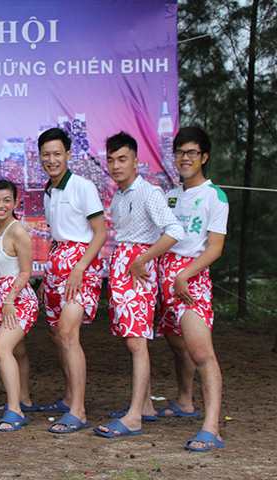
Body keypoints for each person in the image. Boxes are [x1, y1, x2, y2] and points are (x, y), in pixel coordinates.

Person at [95, 132, 183, 438]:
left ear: (135, 161)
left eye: (122, 159)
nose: (116, 165)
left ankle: (134, 418)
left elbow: (174, 231)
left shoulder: (149, 192)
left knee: (137, 342)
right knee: (130, 339)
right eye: (111, 160)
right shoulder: (119, 195)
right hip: (123, 270)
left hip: (138, 272)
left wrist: (141, 260)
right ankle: (144, 406)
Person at [157, 126, 228, 451]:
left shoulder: (214, 196)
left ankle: (212, 428)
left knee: (201, 352)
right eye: (180, 152)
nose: (185, 158)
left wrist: (184, 276)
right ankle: (185, 401)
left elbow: (215, 247)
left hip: (191, 279)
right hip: (165, 278)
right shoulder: (170, 195)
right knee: (178, 345)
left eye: (192, 153)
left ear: (204, 157)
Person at [35, 128, 107, 434]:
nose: (51, 160)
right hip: (56, 265)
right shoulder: (48, 190)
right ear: (39, 157)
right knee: (56, 334)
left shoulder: (82, 186)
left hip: (81, 266)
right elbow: (57, 236)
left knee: (67, 332)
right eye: (46, 155)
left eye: (57, 153)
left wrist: (79, 268)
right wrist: (46, 278)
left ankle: (79, 411)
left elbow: (100, 233)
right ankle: (68, 398)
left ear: (68, 155)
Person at [0, 180, 39, 432]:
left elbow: (26, 272)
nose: (1, 205)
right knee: (18, 350)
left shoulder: (17, 231)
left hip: (18, 301)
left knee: (1, 347)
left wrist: (8, 300)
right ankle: (24, 398)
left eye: (7, 200)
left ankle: (15, 410)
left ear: (16, 203)